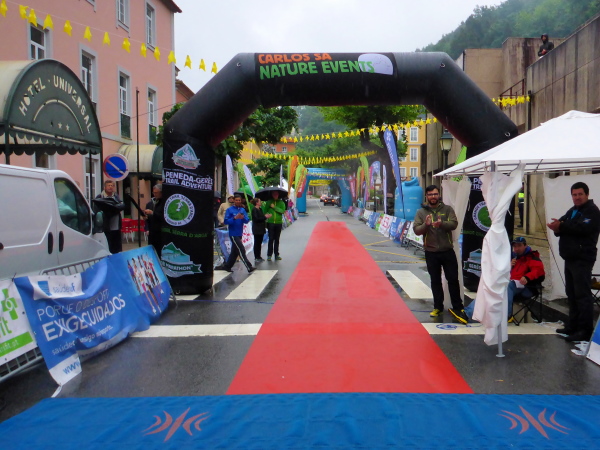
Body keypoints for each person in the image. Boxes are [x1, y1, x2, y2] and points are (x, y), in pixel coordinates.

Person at [547, 182, 600, 342]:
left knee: (582, 295)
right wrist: (557, 227)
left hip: (582, 258)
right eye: (574, 195)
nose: (577, 197)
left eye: (580, 194)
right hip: (570, 258)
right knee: (571, 293)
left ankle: (584, 330)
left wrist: (562, 226)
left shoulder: (592, 211)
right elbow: (563, 225)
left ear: (587, 195)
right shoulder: (572, 211)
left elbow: (582, 228)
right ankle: (573, 325)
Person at [413, 185, 468, 324]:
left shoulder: (447, 209)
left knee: (453, 280)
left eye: (435, 194)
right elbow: (417, 230)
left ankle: (458, 307)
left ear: (439, 195)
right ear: (426, 196)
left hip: (447, 251)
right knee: (435, 281)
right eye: (430, 194)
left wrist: (441, 224)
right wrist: (426, 225)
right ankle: (438, 307)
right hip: (431, 252)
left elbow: (454, 224)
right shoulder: (421, 212)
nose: (433, 197)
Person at [465, 236, 545, 321]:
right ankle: (467, 313)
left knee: (508, 285)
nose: (516, 249)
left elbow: (539, 271)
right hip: (509, 285)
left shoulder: (532, 258)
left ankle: (506, 315)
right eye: (515, 246)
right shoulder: (513, 258)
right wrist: (508, 266)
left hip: (526, 287)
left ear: (525, 246)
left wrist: (527, 277)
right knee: (488, 289)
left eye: (519, 246)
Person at [215, 195, 255, 273]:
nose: (238, 202)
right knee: (241, 249)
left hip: (240, 233)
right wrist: (234, 218)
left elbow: (247, 220)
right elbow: (226, 221)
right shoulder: (229, 210)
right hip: (233, 233)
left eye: (239, 200)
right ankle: (249, 266)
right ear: (234, 200)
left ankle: (227, 266)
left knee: (235, 251)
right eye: (236, 200)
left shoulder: (242, 210)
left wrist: (243, 218)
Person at [96, 179, 125, 254]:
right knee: (107, 246)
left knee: (116, 248)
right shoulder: (100, 197)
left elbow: (122, 205)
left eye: (112, 185)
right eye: (108, 185)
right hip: (105, 227)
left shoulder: (116, 197)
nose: (110, 187)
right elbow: (96, 209)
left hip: (116, 226)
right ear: (104, 187)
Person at [262, 190, 286, 261]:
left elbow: (282, 211)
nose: (275, 195)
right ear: (272, 195)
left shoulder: (281, 202)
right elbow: (265, 211)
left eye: (276, 194)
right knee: (271, 239)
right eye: (274, 194)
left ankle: (276, 254)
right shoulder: (269, 202)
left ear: (278, 195)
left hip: (278, 223)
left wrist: (274, 207)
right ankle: (269, 255)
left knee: (277, 239)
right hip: (271, 222)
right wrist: (266, 216)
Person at [144, 184, 164, 257]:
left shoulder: (164, 203)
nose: (154, 194)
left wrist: (152, 213)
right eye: (153, 192)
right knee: (151, 250)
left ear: (161, 192)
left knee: (159, 251)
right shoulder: (150, 203)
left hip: (160, 232)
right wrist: (147, 228)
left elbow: (163, 217)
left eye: (156, 193)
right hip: (151, 231)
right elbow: (147, 219)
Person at [250, 197, 270, 262]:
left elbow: (261, 217)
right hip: (257, 228)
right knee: (257, 242)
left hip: (261, 227)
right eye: (259, 201)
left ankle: (259, 256)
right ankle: (256, 256)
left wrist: (265, 217)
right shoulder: (254, 210)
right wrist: (265, 217)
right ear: (256, 203)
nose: (260, 202)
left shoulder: (260, 209)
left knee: (259, 242)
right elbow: (256, 219)